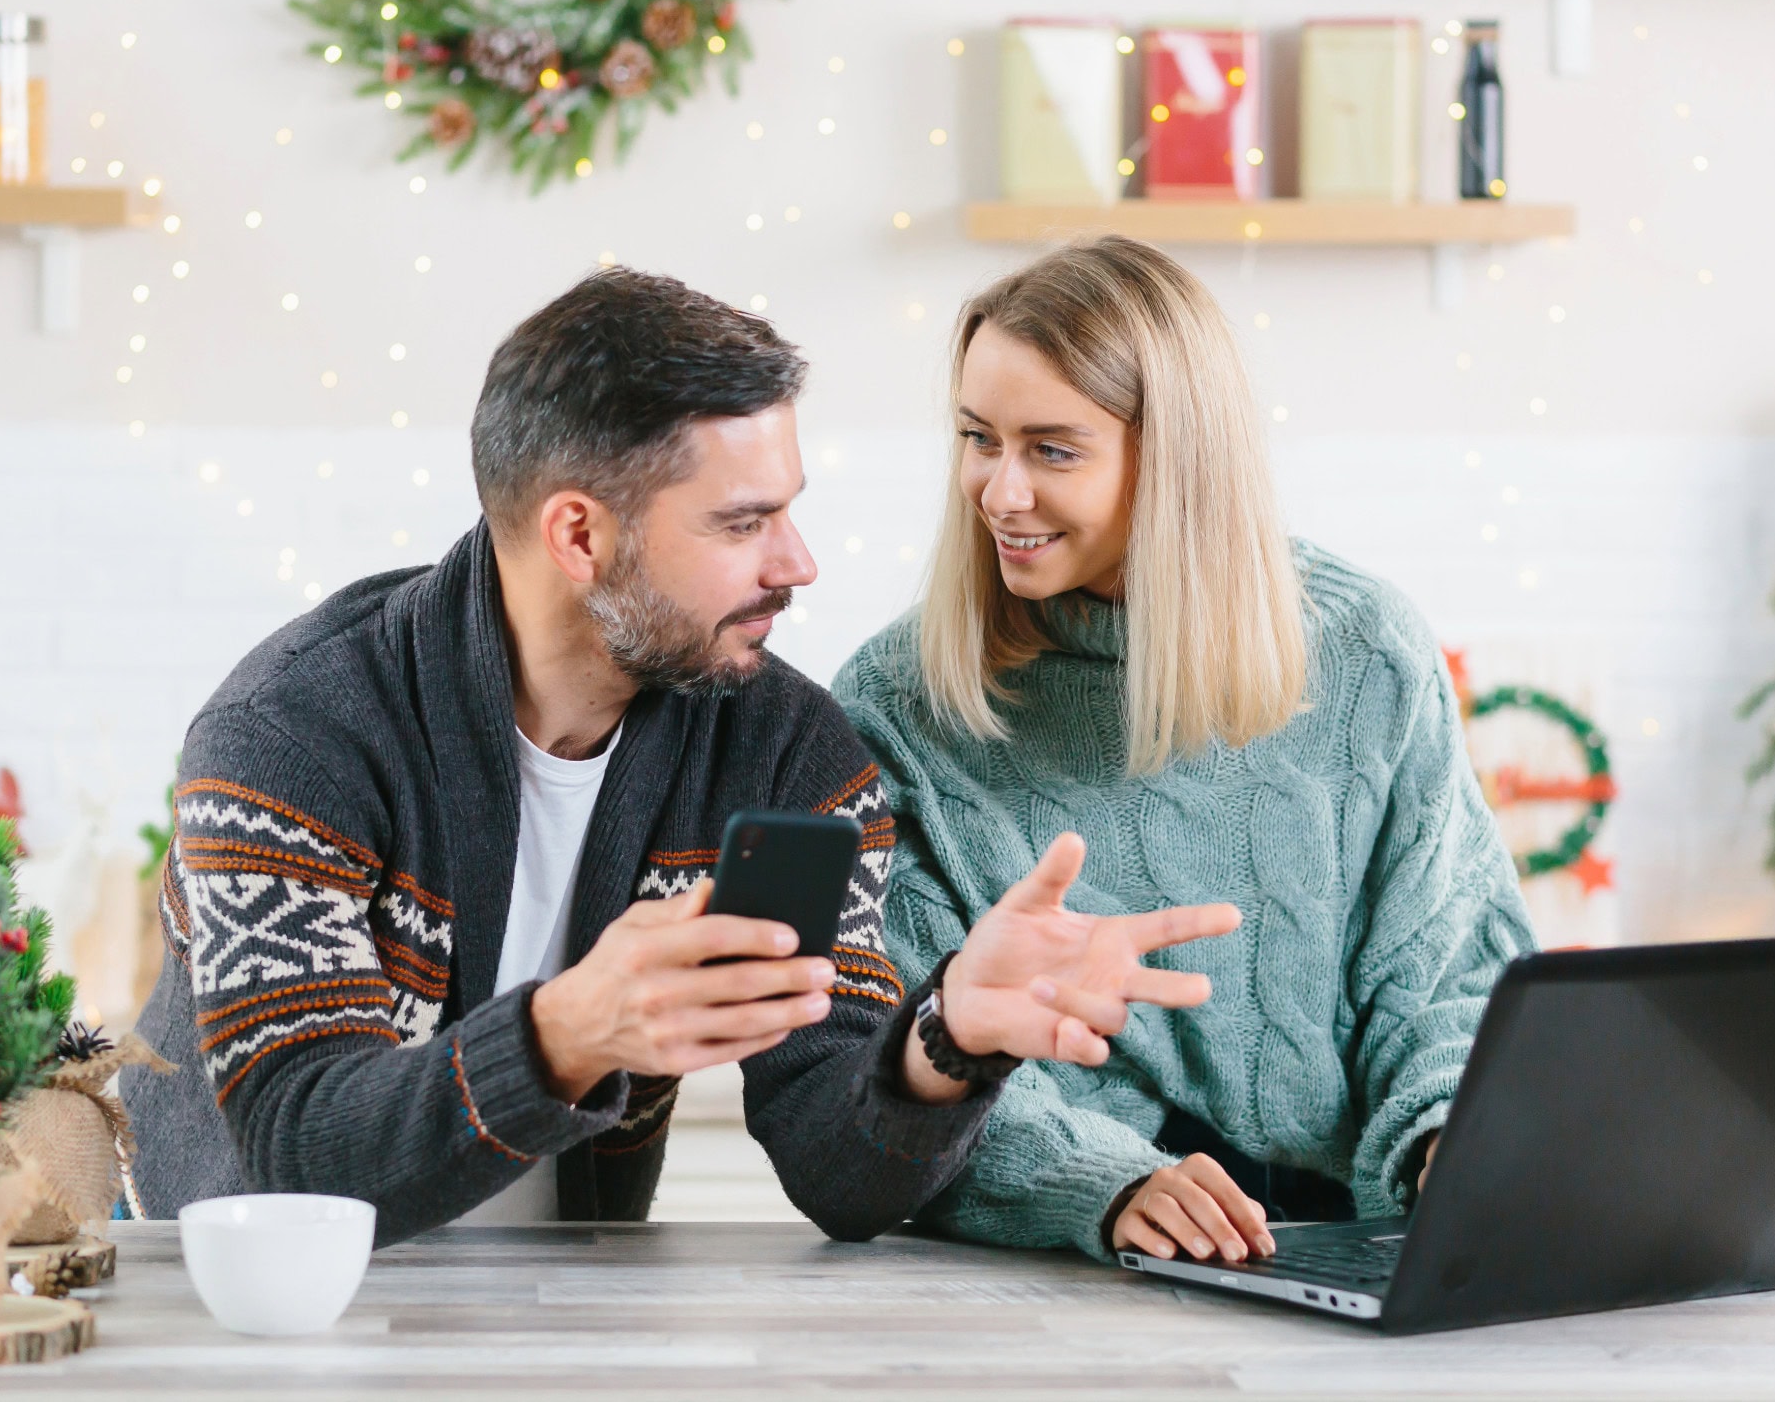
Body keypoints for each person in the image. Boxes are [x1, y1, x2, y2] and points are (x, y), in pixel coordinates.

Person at [125, 266, 1242, 1245]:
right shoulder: (294, 736)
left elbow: (836, 1170)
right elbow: (297, 1155)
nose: (796, 562)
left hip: (571, 1306)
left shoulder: (789, 754)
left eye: (787, 512)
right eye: (740, 523)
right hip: (250, 1309)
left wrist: (943, 1040)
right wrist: (568, 1031)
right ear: (578, 536)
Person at [831, 236, 1536, 1268]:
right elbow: (899, 1058)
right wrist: (1101, 1181)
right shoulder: (898, 704)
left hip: (1364, 1236)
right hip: (1077, 1258)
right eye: (977, 437)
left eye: (1051, 449)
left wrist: (1447, 1147)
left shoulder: (1366, 654)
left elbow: (1445, 979)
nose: (997, 491)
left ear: (1173, 462)